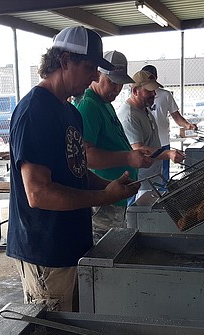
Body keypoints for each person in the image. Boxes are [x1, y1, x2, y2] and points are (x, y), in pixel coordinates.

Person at [7, 26, 139, 312]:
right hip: (47, 252)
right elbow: (39, 194)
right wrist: (105, 197)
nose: (95, 76)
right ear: (65, 61)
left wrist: (108, 186)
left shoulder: (71, 113)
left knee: (79, 331)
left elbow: (77, 173)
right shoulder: (34, 111)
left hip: (74, 246)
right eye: (90, 67)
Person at [74, 50, 153, 242]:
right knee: (103, 252)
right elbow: (85, 157)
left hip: (114, 197)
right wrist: (128, 157)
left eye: (120, 83)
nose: (117, 89)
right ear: (97, 74)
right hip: (102, 201)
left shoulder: (104, 103)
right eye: (112, 82)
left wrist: (131, 154)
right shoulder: (88, 105)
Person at [118, 71, 185, 202]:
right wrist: (168, 154)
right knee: (137, 217)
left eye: (154, 90)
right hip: (138, 182)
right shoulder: (129, 116)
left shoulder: (145, 109)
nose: (154, 94)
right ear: (135, 91)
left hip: (150, 179)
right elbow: (138, 148)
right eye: (149, 91)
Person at [141, 64, 196, 182]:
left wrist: (187, 125)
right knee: (146, 178)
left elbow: (176, 116)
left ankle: (164, 198)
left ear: (156, 78)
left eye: (151, 78)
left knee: (163, 176)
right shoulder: (140, 97)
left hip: (163, 142)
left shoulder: (165, 95)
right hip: (147, 144)